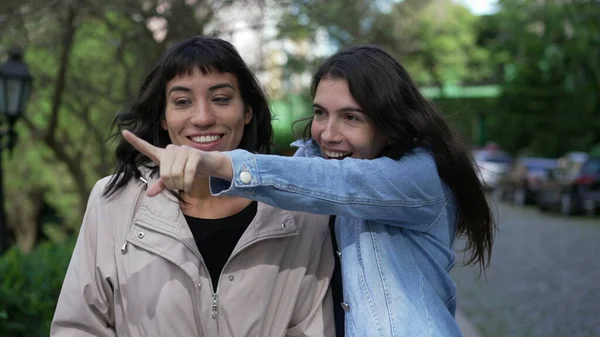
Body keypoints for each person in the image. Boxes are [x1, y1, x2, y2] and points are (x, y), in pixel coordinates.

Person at [123, 44, 496, 337]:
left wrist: (217, 163)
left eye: (351, 117)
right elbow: (303, 170)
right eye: (320, 113)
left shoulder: (418, 176)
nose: (328, 133)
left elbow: (339, 183)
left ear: (391, 122)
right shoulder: (318, 162)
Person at [51, 36, 336, 337]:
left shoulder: (300, 210)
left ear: (247, 110)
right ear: (163, 117)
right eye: (183, 101)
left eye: (221, 98)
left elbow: (312, 329)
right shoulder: (114, 200)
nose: (202, 118)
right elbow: (79, 327)